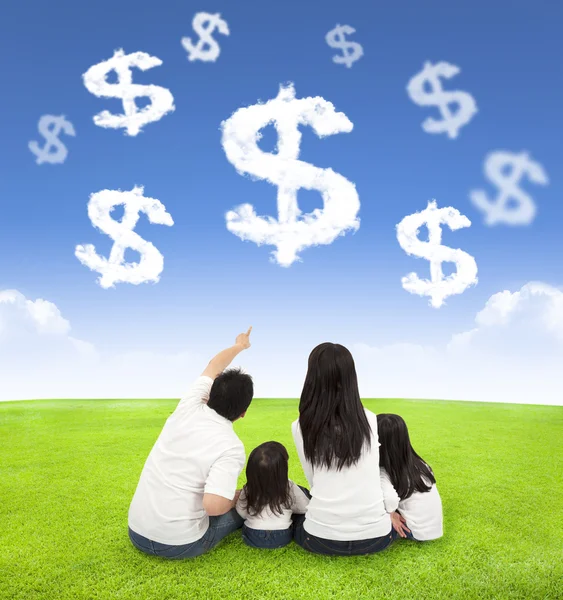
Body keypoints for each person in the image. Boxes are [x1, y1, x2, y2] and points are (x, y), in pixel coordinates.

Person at [128, 327, 253, 559]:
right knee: (246, 503)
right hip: (180, 544)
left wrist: (239, 345)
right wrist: (234, 498)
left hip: (136, 531)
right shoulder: (231, 446)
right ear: (243, 413)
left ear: (210, 393)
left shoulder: (188, 405)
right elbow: (214, 507)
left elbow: (214, 366)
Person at [292, 342, 396, 556]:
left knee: (293, 510)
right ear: (351, 378)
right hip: (377, 538)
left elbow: (313, 481)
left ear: (312, 378)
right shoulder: (370, 419)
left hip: (321, 540)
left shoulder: (301, 426)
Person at [377, 413, 443, 542]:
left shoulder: (384, 471)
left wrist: (391, 514)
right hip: (433, 528)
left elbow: (389, 499)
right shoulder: (420, 464)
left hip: (413, 529)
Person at [236, 441, 309, 549]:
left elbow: (241, 511)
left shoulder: (248, 488)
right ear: (282, 470)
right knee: (303, 497)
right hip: (282, 535)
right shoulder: (289, 485)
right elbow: (305, 508)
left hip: (252, 535)